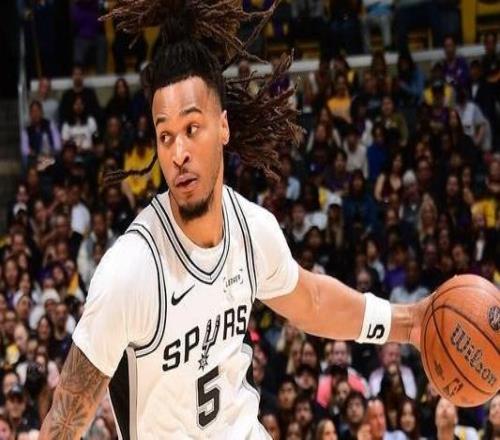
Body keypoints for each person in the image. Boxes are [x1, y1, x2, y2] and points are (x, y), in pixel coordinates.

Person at [40, 1, 430, 438]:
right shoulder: (130, 271)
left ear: (223, 126)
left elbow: (313, 301)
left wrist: (408, 323)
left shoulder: (252, 228)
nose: (178, 153)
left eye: (192, 128)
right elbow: (65, 418)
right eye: (165, 136)